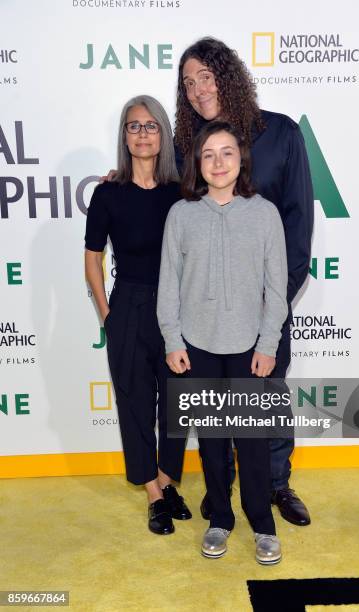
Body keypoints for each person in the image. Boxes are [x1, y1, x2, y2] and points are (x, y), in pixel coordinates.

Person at [175, 37, 314, 526]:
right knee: (217, 411)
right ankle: (222, 494)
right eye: (188, 83)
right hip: (209, 314)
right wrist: (120, 177)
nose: (196, 90)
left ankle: (276, 484)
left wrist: (270, 306)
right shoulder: (186, 144)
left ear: (227, 76)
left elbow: (298, 227)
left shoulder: (281, 134)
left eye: (205, 77)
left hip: (263, 307)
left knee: (267, 396)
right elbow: (173, 214)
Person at [157, 121, 288, 564]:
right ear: (197, 162)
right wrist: (174, 340)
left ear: (241, 159)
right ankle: (220, 520)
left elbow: (277, 288)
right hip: (198, 346)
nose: (218, 162)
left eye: (227, 152)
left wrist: (268, 344)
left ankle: (263, 526)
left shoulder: (265, 214)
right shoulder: (181, 215)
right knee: (212, 440)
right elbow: (168, 286)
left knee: (251, 441)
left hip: (249, 348)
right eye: (208, 154)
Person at [85, 95, 191, 536]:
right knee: (134, 404)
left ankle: (168, 482)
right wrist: (109, 316)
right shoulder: (107, 192)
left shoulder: (182, 191)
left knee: (177, 404)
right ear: (124, 136)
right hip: (127, 306)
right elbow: (92, 259)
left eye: (151, 126)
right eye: (134, 126)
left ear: (163, 134)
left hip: (176, 313)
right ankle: (152, 493)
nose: (143, 133)